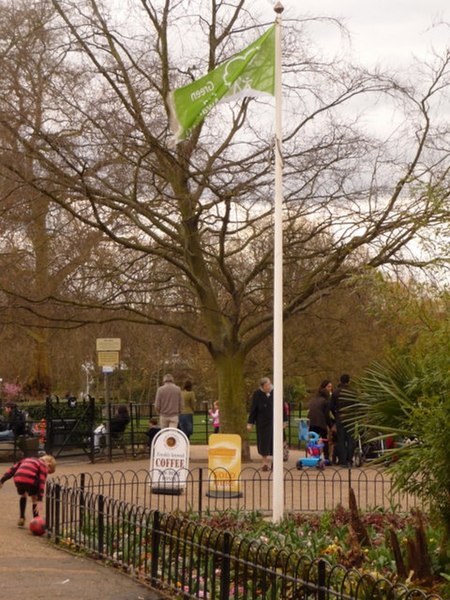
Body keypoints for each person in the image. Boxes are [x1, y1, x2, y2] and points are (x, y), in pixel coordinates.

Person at [0, 454, 56, 527]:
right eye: (49, 471)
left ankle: (22, 517)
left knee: (23, 495)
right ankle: (36, 520)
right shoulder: (43, 465)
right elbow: (42, 483)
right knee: (34, 498)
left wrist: (2, 480)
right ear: (48, 464)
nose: (47, 473)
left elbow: (12, 469)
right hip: (30, 480)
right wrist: (40, 500)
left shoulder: (27, 459)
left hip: (18, 479)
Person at [247, 377, 288, 471]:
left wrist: (284, 421)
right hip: (262, 422)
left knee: (276, 441)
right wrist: (250, 423)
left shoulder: (276, 392)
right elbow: (253, 409)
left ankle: (275, 463)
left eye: (269, 384)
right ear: (262, 386)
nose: (268, 387)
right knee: (263, 442)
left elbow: (282, 408)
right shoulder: (257, 394)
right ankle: (264, 463)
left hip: (275, 421)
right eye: (266, 385)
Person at [331, 374, 355, 467]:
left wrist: (336, 415)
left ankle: (343, 461)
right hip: (351, 417)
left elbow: (331, 406)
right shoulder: (353, 392)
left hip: (340, 417)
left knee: (341, 439)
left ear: (340, 381)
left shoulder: (336, 392)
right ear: (349, 381)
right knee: (350, 440)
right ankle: (350, 460)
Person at [307, 380, 333, 464]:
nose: (330, 389)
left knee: (313, 439)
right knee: (325, 438)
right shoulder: (326, 401)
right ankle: (326, 457)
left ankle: (313, 455)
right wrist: (330, 425)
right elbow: (326, 415)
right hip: (320, 421)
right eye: (328, 387)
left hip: (311, 421)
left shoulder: (315, 399)